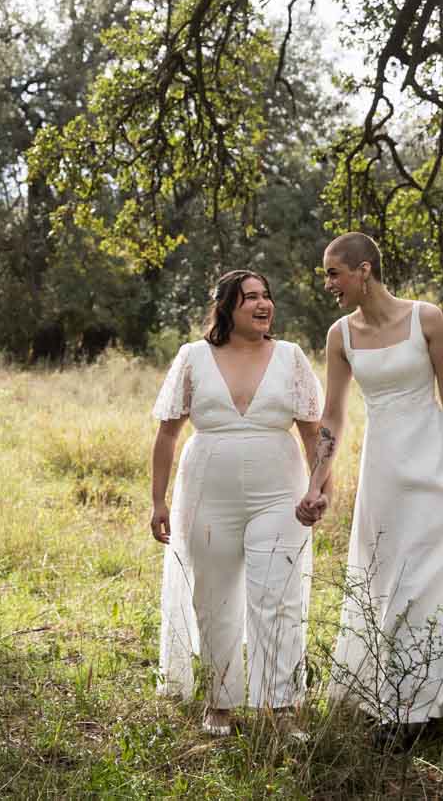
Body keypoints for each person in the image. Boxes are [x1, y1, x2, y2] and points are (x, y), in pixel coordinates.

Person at [295, 232, 443, 725]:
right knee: (393, 578)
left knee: (436, 572)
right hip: (385, 473)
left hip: (434, 461)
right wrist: (317, 481)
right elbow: (333, 416)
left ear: (364, 270)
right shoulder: (341, 334)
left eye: (333, 272)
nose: (328, 284)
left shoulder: (426, 317)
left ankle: (435, 693)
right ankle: (403, 701)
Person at [149, 269, 326, 736]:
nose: (262, 304)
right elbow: (167, 432)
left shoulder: (291, 357)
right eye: (250, 297)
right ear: (227, 307)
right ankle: (219, 702)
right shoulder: (193, 357)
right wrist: (157, 500)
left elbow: (314, 432)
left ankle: (283, 707)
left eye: (266, 295)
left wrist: (318, 488)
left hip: (279, 494)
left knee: (278, 596)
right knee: (214, 595)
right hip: (208, 491)